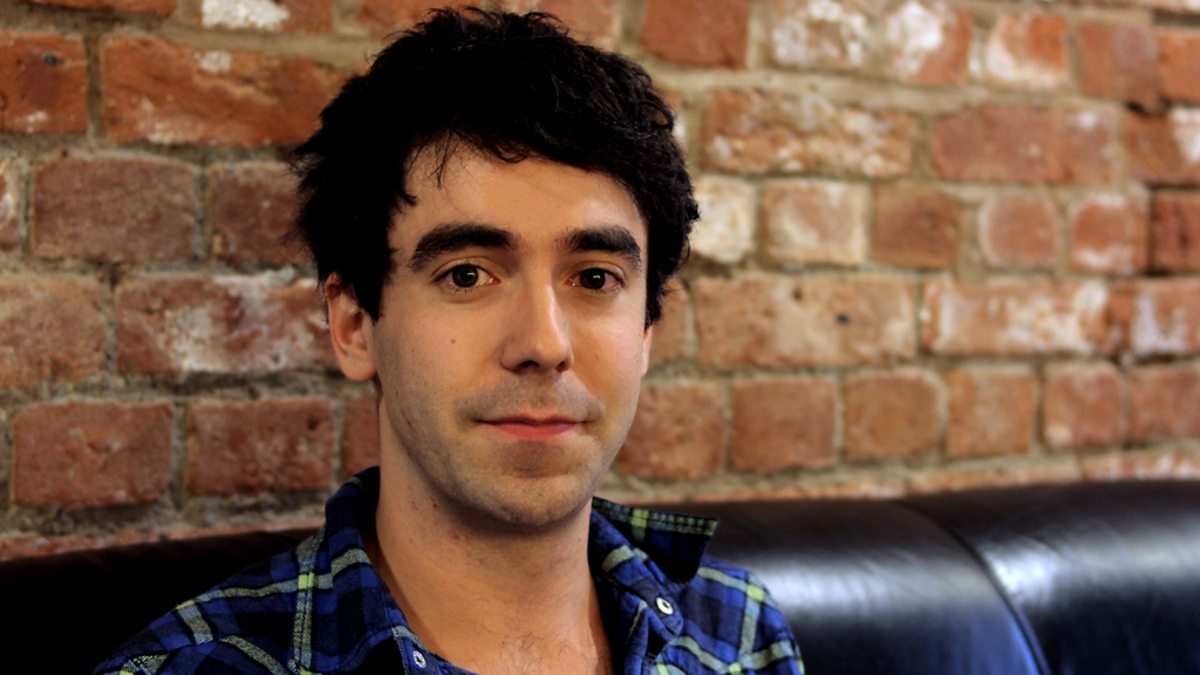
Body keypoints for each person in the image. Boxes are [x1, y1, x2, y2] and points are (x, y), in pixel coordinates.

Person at [96, 7, 803, 674]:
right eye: (467, 274)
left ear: (646, 331)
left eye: (594, 277)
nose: (544, 343)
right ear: (354, 324)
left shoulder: (739, 635)